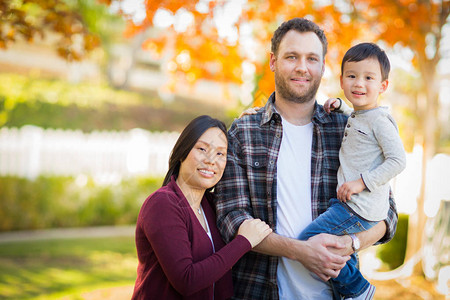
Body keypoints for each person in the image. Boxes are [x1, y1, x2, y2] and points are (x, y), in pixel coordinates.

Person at [215, 18, 399, 300]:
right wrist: (302, 251)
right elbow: (231, 218)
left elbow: (387, 213)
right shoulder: (245, 131)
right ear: (274, 61)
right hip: (259, 290)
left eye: (312, 58)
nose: (302, 67)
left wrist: (351, 242)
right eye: (292, 57)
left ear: (323, 67)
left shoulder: (346, 127)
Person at [296, 42, 406, 299]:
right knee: (340, 250)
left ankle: (357, 288)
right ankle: (349, 294)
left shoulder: (380, 120)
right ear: (342, 80)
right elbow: (359, 125)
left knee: (309, 241)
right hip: (349, 203)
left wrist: (361, 182)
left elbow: (398, 160)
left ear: (383, 86)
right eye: (352, 76)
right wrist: (341, 108)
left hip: (358, 206)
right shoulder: (359, 115)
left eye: (368, 78)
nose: (359, 83)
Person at [132, 115, 272, 300]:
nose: (211, 160)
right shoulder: (163, 204)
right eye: (202, 149)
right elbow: (187, 280)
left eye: (220, 153)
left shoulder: (212, 206)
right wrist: (243, 241)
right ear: (182, 152)